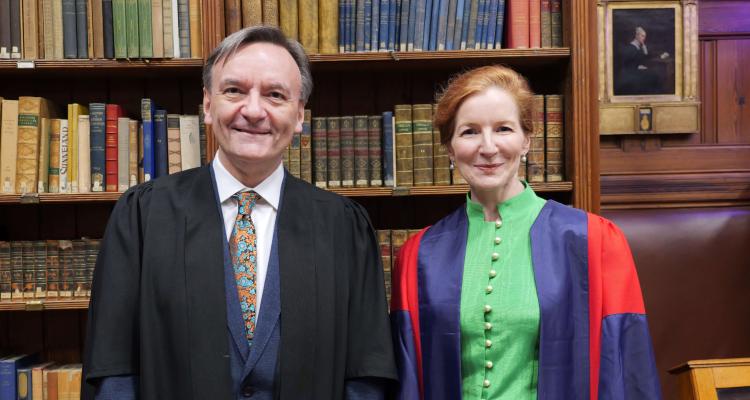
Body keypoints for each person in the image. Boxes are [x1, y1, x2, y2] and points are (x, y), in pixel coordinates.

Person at [82, 26, 397, 399]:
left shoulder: (343, 227)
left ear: (299, 115)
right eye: (234, 90)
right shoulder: (143, 216)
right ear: (208, 104)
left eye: (275, 95)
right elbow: (114, 369)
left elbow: (365, 374)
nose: (252, 110)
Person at [390, 65, 662, 399]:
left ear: (526, 140)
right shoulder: (420, 256)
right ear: (449, 148)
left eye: (503, 129)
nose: (487, 147)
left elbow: (627, 370)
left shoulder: (593, 241)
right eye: (469, 132)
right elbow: (408, 385)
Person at [615, 26, 670, 95]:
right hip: (630, 73)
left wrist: (660, 56)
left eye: (644, 36)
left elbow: (645, 57)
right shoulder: (631, 48)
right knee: (654, 76)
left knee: (655, 74)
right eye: (642, 36)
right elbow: (626, 64)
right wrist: (638, 66)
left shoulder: (638, 46)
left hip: (636, 70)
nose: (644, 38)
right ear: (637, 36)